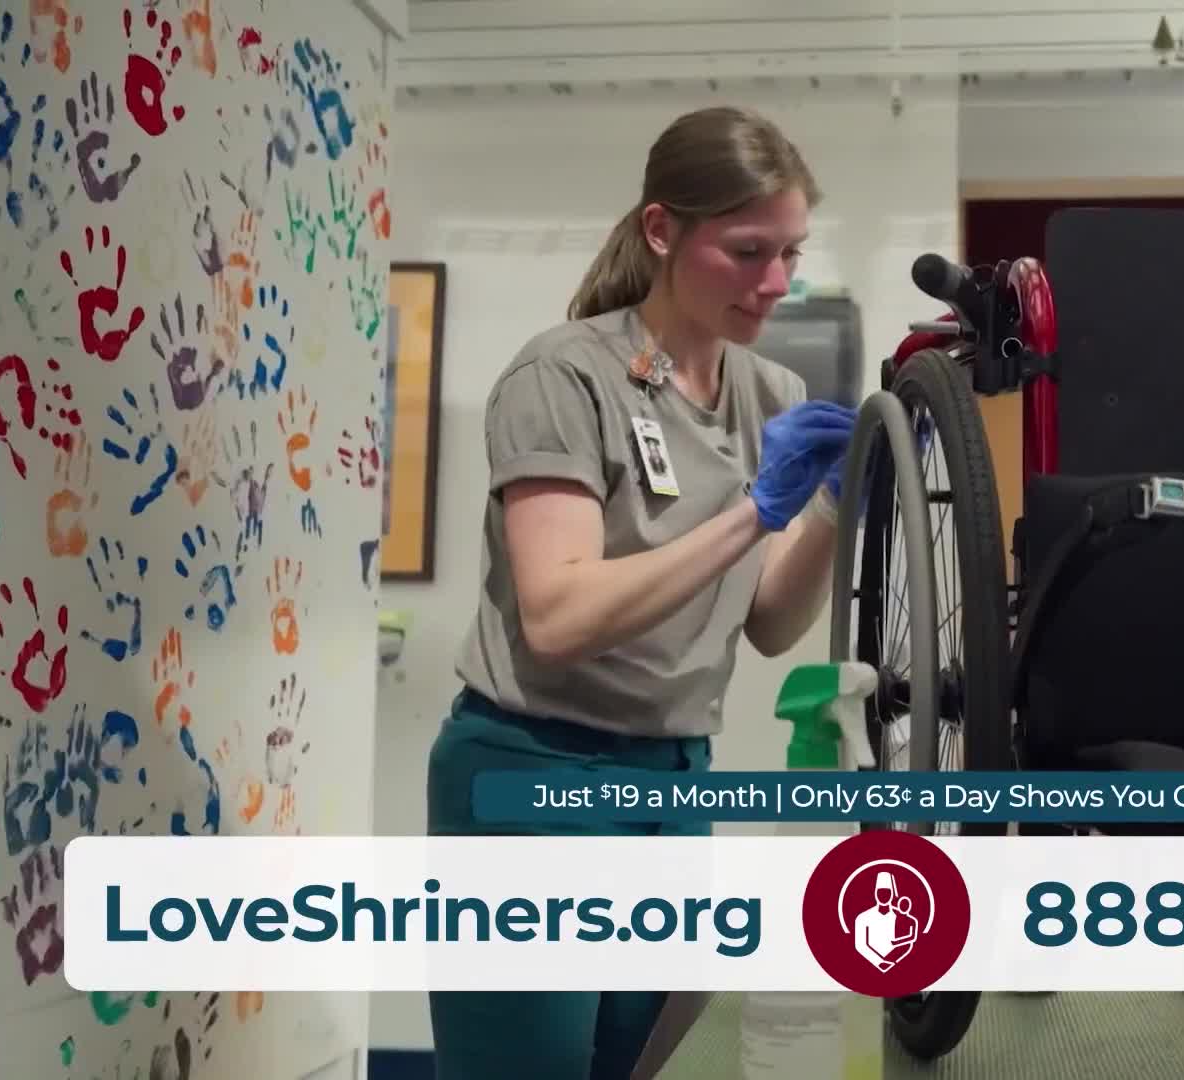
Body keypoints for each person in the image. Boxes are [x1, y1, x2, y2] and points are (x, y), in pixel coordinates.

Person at [425, 105, 856, 1080]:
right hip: (533, 777)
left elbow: (771, 622)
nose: (776, 282)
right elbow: (557, 616)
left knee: (649, 1069)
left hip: (675, 779)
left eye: (790, 252)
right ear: (662, 230)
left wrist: (833, 507)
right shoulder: (563, 376)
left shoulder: (771, 394)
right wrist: (757, 508)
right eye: (747, 252)